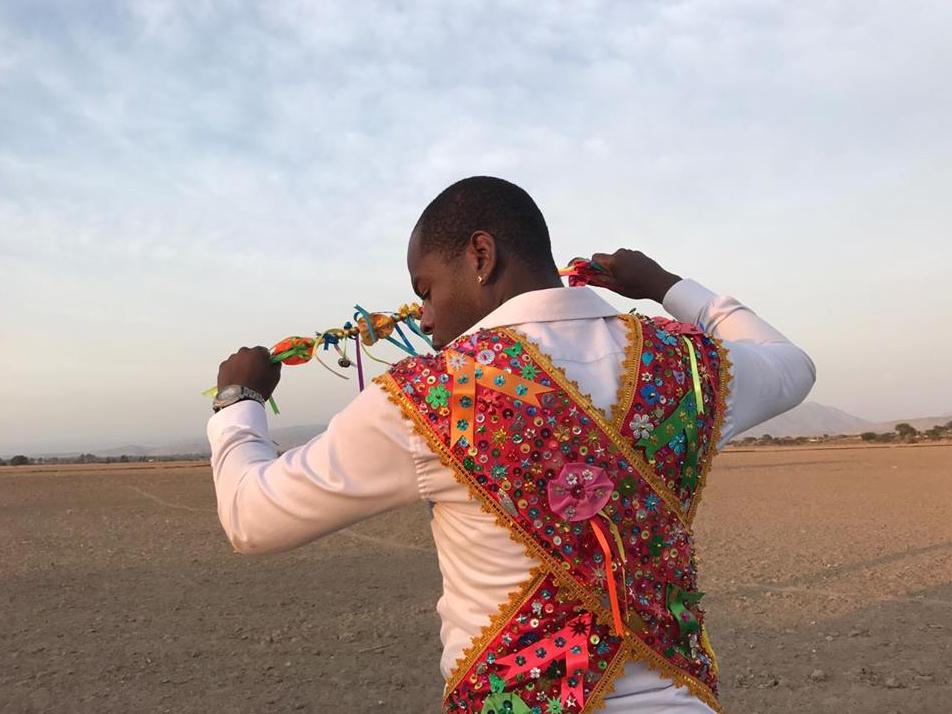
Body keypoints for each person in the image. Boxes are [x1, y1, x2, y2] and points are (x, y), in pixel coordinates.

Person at [208, 176, 815, 713]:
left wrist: (239, 400)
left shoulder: (431, 397)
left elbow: (252, 516)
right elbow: (791, 365)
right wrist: (667, 285)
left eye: (426, 288)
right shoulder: (686, 364)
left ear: (481, 255)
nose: (422, 316)